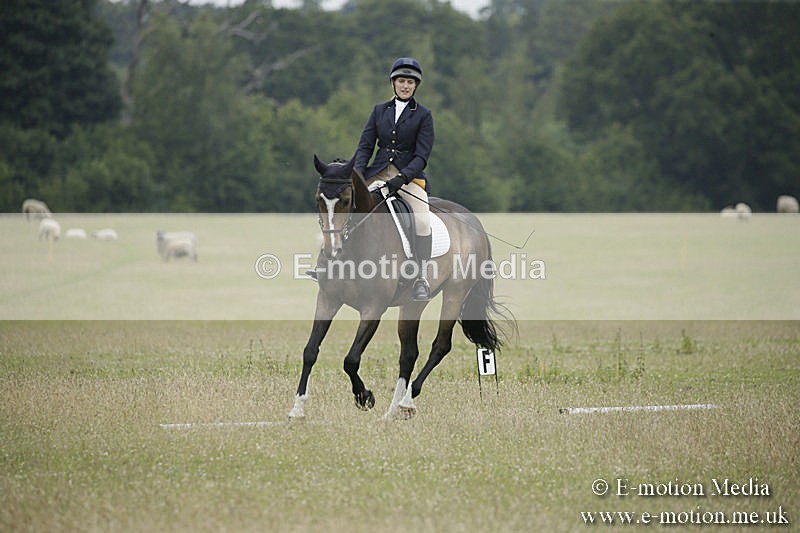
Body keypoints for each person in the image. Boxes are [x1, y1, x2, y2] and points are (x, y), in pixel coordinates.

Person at [354, 57, 434, 301]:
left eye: (410, 82)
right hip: (377, 172)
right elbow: (365, 146)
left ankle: (420, 278)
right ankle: (328, 266)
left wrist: (403, 177)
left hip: (408, 178)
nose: (405, 86)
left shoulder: (424, 115)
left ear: (416, 85)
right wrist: (358, 175)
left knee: (422, 221)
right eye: (401, 81)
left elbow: (422, 156)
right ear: (393, 83)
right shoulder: (379, 111)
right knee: (344, 209)